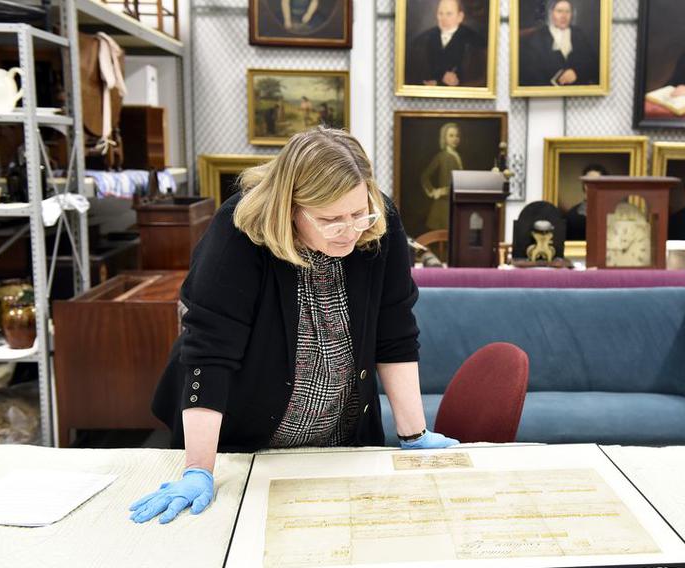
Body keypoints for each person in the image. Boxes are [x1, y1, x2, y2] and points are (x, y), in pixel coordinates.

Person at [130, 128, 459, 524]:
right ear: (290, 208)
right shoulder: (238, 231)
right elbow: (210, 352)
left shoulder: (378, 221)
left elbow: (396, 331)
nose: (351, 231)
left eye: (358, 213)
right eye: (330, 220)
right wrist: (199, 468)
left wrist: (413, 434)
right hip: (240, 441)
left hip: (340, 439)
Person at [406, 0, 487, 87]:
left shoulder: (475, 42)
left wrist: (453, 81)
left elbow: (480, 78)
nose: (443, 18)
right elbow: (414, 73)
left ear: (460, 17)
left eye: (449, 14)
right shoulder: (423, 39)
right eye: (440, 13)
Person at [519, 0, 598, 87]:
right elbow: (530, 74)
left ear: (572, 14)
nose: (564, 16)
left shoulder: (578, 34)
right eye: (559, 11)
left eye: (567, 11)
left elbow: (594, 64)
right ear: (551, 13)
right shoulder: (537, 37)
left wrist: (577, 73)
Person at [420, 122, 463, 232]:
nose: (455, 139)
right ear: (444, 137)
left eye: (457, 136)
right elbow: (425, 176)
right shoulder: (442, 156)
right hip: (444, 204)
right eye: (451, 135)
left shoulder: (456, 155)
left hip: (454, 201)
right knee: (444, 235)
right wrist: (434, 191)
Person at [565, 163, 607, 241]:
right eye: (588, 182)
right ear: (584, 185)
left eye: (596, 182)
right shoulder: (572, 215)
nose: (591, 186)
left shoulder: (613, 213)